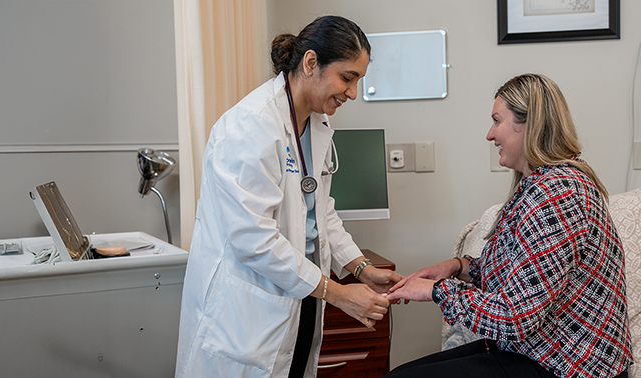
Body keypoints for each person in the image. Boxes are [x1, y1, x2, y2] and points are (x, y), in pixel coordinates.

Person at [174, 15, 403, 378]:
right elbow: (253, 238)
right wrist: (339, 294)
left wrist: (360, 268)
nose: (353, 93)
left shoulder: (315, 123)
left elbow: (320, 209)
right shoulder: (251, 126)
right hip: (247, 310)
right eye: (348, 77)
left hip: (301, 296)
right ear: (311, 63)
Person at [387, 73, 633, 378]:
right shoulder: (540, 185)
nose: (490, 135)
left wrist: (436, 291)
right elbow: (519, 272)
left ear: (529, 125)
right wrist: (456, 266)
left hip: (571, 365)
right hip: (541, 352)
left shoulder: (558, 194)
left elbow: (515, 317)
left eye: (496, 121)